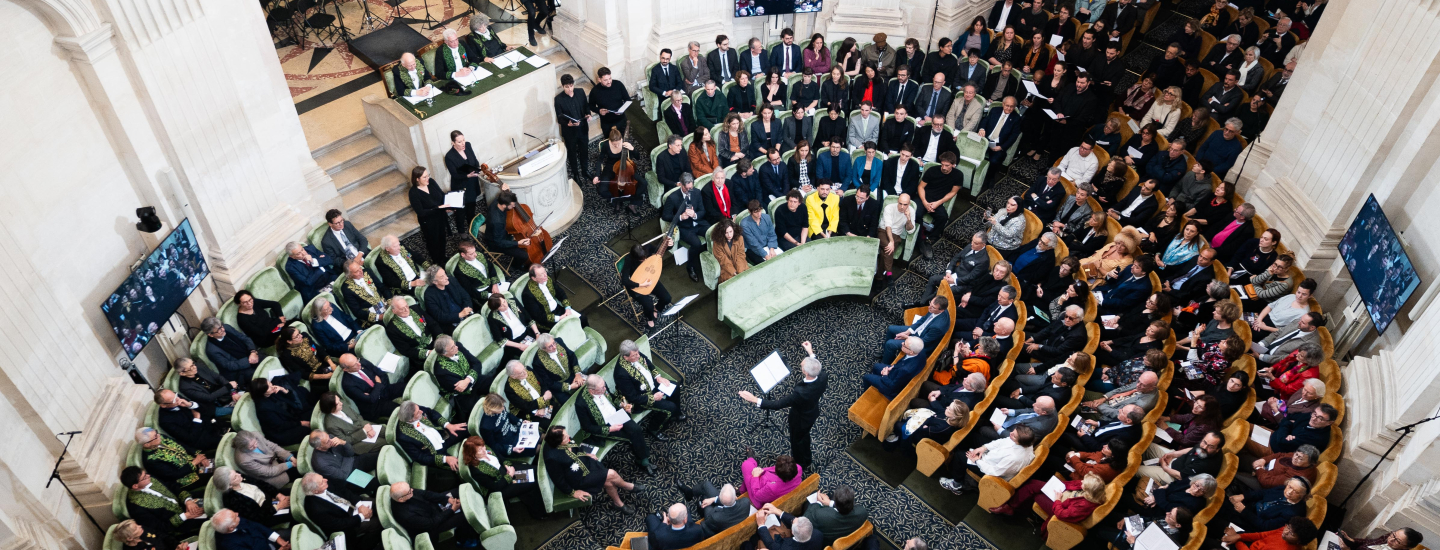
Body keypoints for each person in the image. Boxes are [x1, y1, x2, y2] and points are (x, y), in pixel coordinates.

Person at [543, 426, 649, 512]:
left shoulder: (567, 440)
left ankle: (618, 504)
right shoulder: (552, 457)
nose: (569, 437)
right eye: (565, 437)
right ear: (558, 442)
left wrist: (586, 454)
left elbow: (576, 450)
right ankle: (627, 486)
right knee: (611, 474)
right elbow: (558, 479)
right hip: (579, 478)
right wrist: (572, 492)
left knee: (609, 481)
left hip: (587, 463)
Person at [460, 435, 544, 518]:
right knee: (532, 483)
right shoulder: (476, 471)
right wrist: (510, 475)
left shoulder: (486, 448)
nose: (484, 450)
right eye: (480, 450)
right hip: (501, 486)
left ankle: (528, 497)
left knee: (535, 470)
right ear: (472, 455)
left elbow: (500, 458)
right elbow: (495, 487)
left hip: (505, 470)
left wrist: (507, 466)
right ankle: (538, 513)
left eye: (483, 447)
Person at [941, 424, 1036, 495]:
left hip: (990, 471)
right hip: (990, 456)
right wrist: (983, 448)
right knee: (972, 436)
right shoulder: (1025, 442)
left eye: (1014, 435)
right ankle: (957, 467)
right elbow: (1001, 442)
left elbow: (994, 472)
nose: (1010, 434)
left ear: (1019, 441)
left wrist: (977, 460)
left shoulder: (1014, 458)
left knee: (960, 456)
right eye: (1013, 432)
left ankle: (956, 484)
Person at [299, 472, 381, 548]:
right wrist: (362, 516)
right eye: (321, 482)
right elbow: (339, 524)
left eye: (322, 478)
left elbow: (344, 491)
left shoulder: (325, 483)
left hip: (351, 504)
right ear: (315, 491)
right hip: (347, 521)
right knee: (377, 523)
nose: (326, 480)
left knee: (379, 504)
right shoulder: (315, 509)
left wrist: (359, 505)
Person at [135, 427, 211, 497]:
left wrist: (198, 455)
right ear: (147, 444)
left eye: (156, 432)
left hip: (194, 460)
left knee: (215, 461)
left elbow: (181, 445)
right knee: (214, 473)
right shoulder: (150, 460)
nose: (159, 435)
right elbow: (173, 474)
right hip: (186, 478)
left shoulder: (161, 437)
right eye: (155, 436)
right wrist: (193, 463)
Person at [305, 431, 379, 501]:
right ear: (319, 447)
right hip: (349, 477)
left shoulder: (330, 438)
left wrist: (343, 442)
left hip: (354, 461)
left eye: (329, 437)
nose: (331, 440)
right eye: (327, 441)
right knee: (377, 483)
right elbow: (342, 475)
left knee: (380, 456)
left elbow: (351, 453)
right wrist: (347, 460)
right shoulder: (320, 464)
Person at [407, 166, 455, 264]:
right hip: (428, 222)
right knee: (433, 242)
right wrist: (438, 208)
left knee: (442, 237)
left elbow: (441, 195)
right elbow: (421, 212)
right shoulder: (413, 193)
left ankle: (443, 256)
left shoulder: (431, 182)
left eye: (427, 175)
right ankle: (437, 261)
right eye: (424, 177)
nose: (427, 178)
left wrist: (449, 204)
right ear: (417, 179)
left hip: (440, 217)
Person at [1139, 431, 1224, 483]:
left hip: (1172, 476)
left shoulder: (1206, 465)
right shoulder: (1208, 443)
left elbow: (1180, 476)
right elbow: (1193, 449)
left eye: (1210, 446)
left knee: (1137, 470)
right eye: (1204, 442)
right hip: (1176, 461)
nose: (1204, 447)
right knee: (1147, 445)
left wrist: (1164, 466)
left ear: (1217, 449)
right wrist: (1174, 454)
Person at [249, 375, 311, 446]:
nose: (272, 386)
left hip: (291, 418)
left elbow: (291, 401)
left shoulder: (272, 392)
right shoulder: (264, 408)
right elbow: (280, 425)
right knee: (306, 430)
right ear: (262, 392)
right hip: (281, 432)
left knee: (311, 413)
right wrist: (301, 423)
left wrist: (283, 390)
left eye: (270, 383)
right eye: (268, 387)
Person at [229, 431, 298, 494]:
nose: (255, 446)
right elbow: (268, 472)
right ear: (243, 448)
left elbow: (273, 446)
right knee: (298, 470)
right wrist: (290, 464)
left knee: (299, 456)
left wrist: (290, 457)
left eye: (255, 442)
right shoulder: (243, 460)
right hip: (271, 475)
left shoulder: (255, 435)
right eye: (251, 447)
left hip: (275, 459)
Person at [475, 393, 537, 461]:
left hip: (515, 431)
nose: (503, 408)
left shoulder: (500, 407)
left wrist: (521, 422)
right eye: (500, 407)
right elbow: (493, 446)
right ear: (493, 409)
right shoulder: (486, 427)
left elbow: (508, 415)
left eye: (502, 405)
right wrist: (512, 449)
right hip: (509, 444)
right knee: (535, 447)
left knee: (538, 434)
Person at [1018, 305, 1089, 364]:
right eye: (1066, 316)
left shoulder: (1077, 336)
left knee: (1020, 345)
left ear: (1079, 319)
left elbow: (1057, 351)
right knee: (1019, 335)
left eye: (1071, 318)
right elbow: (1049, 329)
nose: (1067, 320)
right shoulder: (1064, 317)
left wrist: (1039, 346)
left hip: (1051, 355)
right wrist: (1034, 338)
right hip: (1047, 342)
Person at [555, 74, 594, 182]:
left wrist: (588, 114)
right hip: (570, 132)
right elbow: (559, 118)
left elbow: (586, 106)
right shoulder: (558, 99)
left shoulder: (580, 92)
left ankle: (585, 170)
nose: (570, 89)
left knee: (584, 151)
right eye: (567, 87)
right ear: (563, 86)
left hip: (582, 128)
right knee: (572, 153)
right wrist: (568, 123)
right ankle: (576, 174)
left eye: (571, 86)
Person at [317, 392, 382, 455]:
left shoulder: (342, 404)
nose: (341, 403)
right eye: (337, 403)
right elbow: (345, 441)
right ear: (330, 408)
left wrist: (367, 428)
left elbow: (357, 416)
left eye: (339, 400)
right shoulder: (331, 425)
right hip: (356, 442)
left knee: (386, 432)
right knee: (384, 442)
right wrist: (364, 431)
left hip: (363, 425)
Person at [1237, 445, 1320, 492]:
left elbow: (1268, 482)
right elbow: (1280, 455)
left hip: (1264, 484)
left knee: (1235, 474)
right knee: (1239, 458)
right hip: (1264, 468)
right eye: (1296, 454)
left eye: (1300, 459)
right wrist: (1263, 460)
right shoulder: (1298, 456)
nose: (1295, 458)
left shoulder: (1297, 477)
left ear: (1310, 463)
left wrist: (1259, 469)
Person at [486, 293, 539, 363]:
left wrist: (537, 333)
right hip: (514, 342)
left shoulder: (513, 302)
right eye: (501, 306)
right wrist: (519, 346)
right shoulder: (492, 317)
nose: (505, 305)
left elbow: (529, 319)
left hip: (528, 333)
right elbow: (500, 340)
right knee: (532, 358)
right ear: (496, 309)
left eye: (504, 301)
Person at [1269, 405, 1336, 454]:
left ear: (1329, 423)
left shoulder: (1317, 439)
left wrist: (1288, 424)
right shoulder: (1309, 416)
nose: (1314, 418)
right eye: (1314, 413)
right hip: (1274, 435)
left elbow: (1282, 442)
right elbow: (1289, 416)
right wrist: (1287, 430)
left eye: (1320, 418)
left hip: (1275, 450)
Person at [210, 508, 287, 550]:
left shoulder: (234, 521)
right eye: (235, 517)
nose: (237, 513)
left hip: (267, 539)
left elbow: (256, 526)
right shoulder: (229, 546)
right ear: (231, 528)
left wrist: (277, 538)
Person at [589, 67, 631, 138]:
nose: (609, 82)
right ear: (599, 79)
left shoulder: (618, 84)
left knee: (623, 139)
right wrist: (599, 111)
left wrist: (622, 110)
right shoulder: (594, 91)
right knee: (609, 141)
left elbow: (628, 100)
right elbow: (590, 106)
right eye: (605, 80)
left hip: (620, 119)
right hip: (606, 123)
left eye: (610, 78)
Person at [740, 199, 782, 265]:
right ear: (750, 212)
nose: (759, 213)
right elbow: (753, 243)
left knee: (781, 258)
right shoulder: (745, 224)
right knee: (766, 265)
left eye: (760, 210)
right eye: (756, 212)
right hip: (753, 249)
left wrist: (771, 248)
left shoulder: (767, 217)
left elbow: (772, 235)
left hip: (767, 245)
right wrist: (766, 256)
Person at [710, 217, 749, 284]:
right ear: (722, 233)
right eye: (726, 233)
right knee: (731, 283)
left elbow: (741, 254)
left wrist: (739, 271)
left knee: (747, 279)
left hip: (740, 264)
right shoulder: (717, 243)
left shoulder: (740, 238)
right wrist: (733, 272)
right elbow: (722, 260)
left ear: (734, 230)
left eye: (731, 232)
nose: (729, 235)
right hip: (726, 268)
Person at [1340, 528, 1425, 550]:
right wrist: (1352, 540)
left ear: (1405, 548)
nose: (1391, 539)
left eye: (1397, 541)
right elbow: (1369, 542)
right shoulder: (1389, 537)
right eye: (1393, 534)